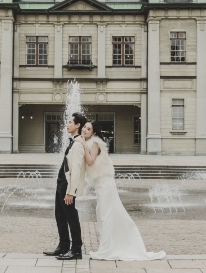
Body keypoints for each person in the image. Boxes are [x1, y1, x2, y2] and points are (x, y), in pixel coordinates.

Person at [76, 121, 166, 261]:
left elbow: (90, 161)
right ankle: (107, 247)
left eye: (88, 129)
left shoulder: (94, 143)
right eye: (84, 128)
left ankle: (105, 250)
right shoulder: (90, 142)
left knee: (105, 215)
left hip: (104, 183)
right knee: (104, 214)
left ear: (93, 133)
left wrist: (82, 144)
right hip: (101, 183)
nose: (85, 130)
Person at [43, 112, 87, 260]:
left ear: (77, 125)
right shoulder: (74, 142)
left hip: (67, 185)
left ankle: (76, 250)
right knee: (60, 215)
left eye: (70, 122)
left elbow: (76, 171)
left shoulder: (78, 144)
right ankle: (63, 246)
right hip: (61, 183)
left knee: (71, 217)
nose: (67, 124)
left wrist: (70, 192)